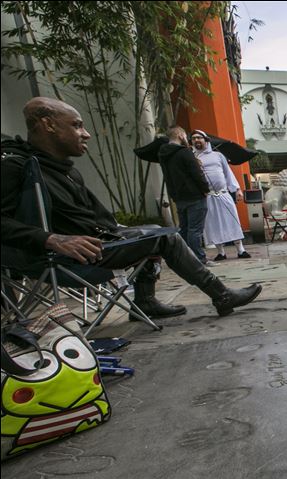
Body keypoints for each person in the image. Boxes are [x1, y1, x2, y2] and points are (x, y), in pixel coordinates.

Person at [1, 97, 261, 319]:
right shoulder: (17, 167)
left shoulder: (62, 169)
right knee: (166, 237)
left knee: (151, 231)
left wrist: (121, 229)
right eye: (77, 126)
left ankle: (145, 302)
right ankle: (222, 295)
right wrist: (51, 239)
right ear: (48, 125)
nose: (86, 133)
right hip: (59, 257)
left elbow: (94, 215)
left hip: (93, 244)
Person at [190, 130, 250, 261]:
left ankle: (241, 250)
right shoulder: (192, 157)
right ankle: (221, 252)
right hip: (207, 196)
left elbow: (227, 173)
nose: (196, 140)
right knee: (213, 224)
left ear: (206, 140)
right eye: (193, 138)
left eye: (199, 138)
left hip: (223, 194)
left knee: (232, 220)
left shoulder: (218, 155)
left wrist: (237, 189)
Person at [159, 126, 212, 265]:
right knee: (195, 230)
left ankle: (184, 258)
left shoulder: (163, 154)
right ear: (179, 135)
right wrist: (205, 188)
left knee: (184, 228)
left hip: (179, 197)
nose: (186, 137)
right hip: (194, 195)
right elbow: (196, 174)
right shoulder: (184, 152)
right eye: (184, 134)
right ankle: (199, 259)